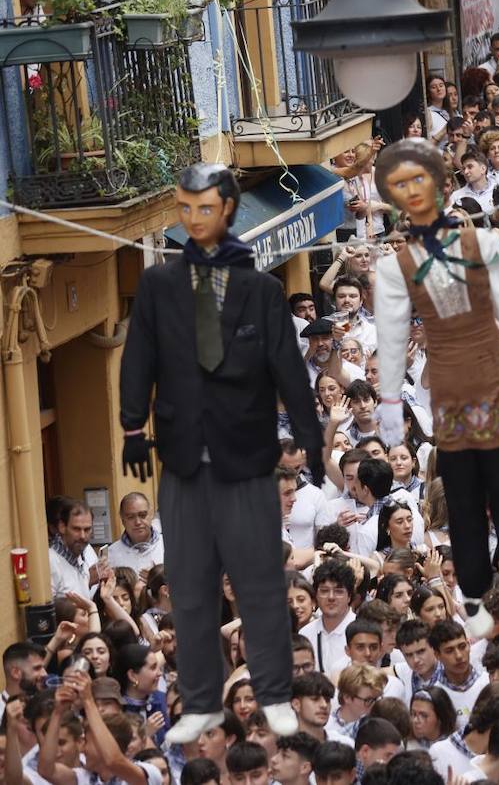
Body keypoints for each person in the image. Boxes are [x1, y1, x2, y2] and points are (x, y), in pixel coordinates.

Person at [119, 162, 324, 743]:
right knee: (189, 586)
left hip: (248, 457)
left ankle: (277, 696)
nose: (193, 219)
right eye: (184, 208)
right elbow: (139, 359)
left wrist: (309, 437)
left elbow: (288, 366)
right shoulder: (158, 285)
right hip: (183, 457)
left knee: (259, 581)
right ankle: (203, 703)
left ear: (228, 210)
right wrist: (133, 430)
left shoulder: (262, 290)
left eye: (203, 208)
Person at [369, 138, 499, 635]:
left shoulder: (485, 244)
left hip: (494, 375)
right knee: (463, 497)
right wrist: (389, 397)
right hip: (447, 385)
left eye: (419, 180)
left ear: (439, 185)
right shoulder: (393, 267)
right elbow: (390, 335)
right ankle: (472, 596)